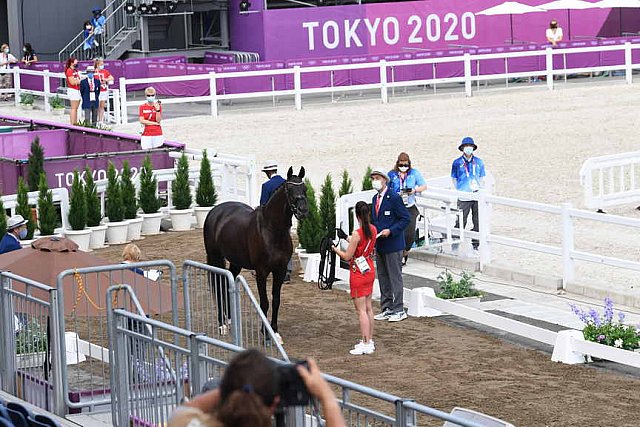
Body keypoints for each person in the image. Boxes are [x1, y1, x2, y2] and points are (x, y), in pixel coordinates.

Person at [168, 349, 345, 427]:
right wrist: (327, 397)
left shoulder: (184, 422)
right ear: (274, 403)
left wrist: (237, 383)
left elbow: (187, 408)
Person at [333, 201, 377, 355]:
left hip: (358, 272)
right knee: (368, 307)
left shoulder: (357, 233)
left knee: (361, 311)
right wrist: (346, 238)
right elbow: (360, 247)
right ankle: (369, 340)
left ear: (357, 215)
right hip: (369, 269)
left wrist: (334, 249)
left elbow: (347, 256)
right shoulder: (373, 229)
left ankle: (365, 342)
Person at [370, 168, 410, 323]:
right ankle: (386, 307)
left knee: (395, 277)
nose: (375, 180)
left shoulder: (393, 197)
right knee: (383, 277)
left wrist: (391, 231)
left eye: (377, 178)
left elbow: (405, 218)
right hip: (380, 244)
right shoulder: (375, 199)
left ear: (384, 180)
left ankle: (399, 308)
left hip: (393, 243)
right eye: (373, 178)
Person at [388, 152, 427, 266]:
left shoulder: (414, 173)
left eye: (406, 164)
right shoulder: (392, 174)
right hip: (396, 206)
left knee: (409, 234)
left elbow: (424, 186)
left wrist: (414, 191)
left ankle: (405, 253)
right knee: (397, 232)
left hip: (410, 207)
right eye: (401, 164)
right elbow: (387, 188)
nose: (403, 167)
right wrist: (396, 194)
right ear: (397, 163)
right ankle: (398, 256)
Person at [451, 137, 486, 253]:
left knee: (477, 221)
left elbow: (481, 178)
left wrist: (479, 189)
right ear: (462, 148)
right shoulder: (457, 163)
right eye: (466, 146)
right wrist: (461, 190)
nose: (468, 148)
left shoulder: (479, 162)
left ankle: (475, 245)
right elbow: (454, 179)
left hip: (476, 195)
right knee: (461, 220)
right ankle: (455, 244)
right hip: (463, 196)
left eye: (470, 146)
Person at [259, 161, 291, 282]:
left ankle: (266, 266)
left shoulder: (266, 186)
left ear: (268, 172)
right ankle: (287, 270)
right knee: (285, 245)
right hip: (285, 221)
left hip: (271, 224)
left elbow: (263, 204)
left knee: (269, 245)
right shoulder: (285, 183)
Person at [94, 57, 114, 123]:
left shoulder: (105, 71)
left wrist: (106, 80)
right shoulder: (94, 71)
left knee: (102, 106)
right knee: (96, 106)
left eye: (103, 63)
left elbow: (111, 78)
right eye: (101, 64)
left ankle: (101, 121)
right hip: (96, 91)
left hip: (103, 90)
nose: (102, 65)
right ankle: (95, 121)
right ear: (97, 64)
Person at [65, 57, 81, 125]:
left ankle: (75, 122)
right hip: (73, 90)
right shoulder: (69, 70)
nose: (76, 64)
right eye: (75, 62)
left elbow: (77, 80)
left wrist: (78, 81)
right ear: (72, 63)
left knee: (76, 108)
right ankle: (72, 123)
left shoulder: (75, 71)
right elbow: (72, 82)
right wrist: (79, 81)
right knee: (73, 108)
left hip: (77, 90)